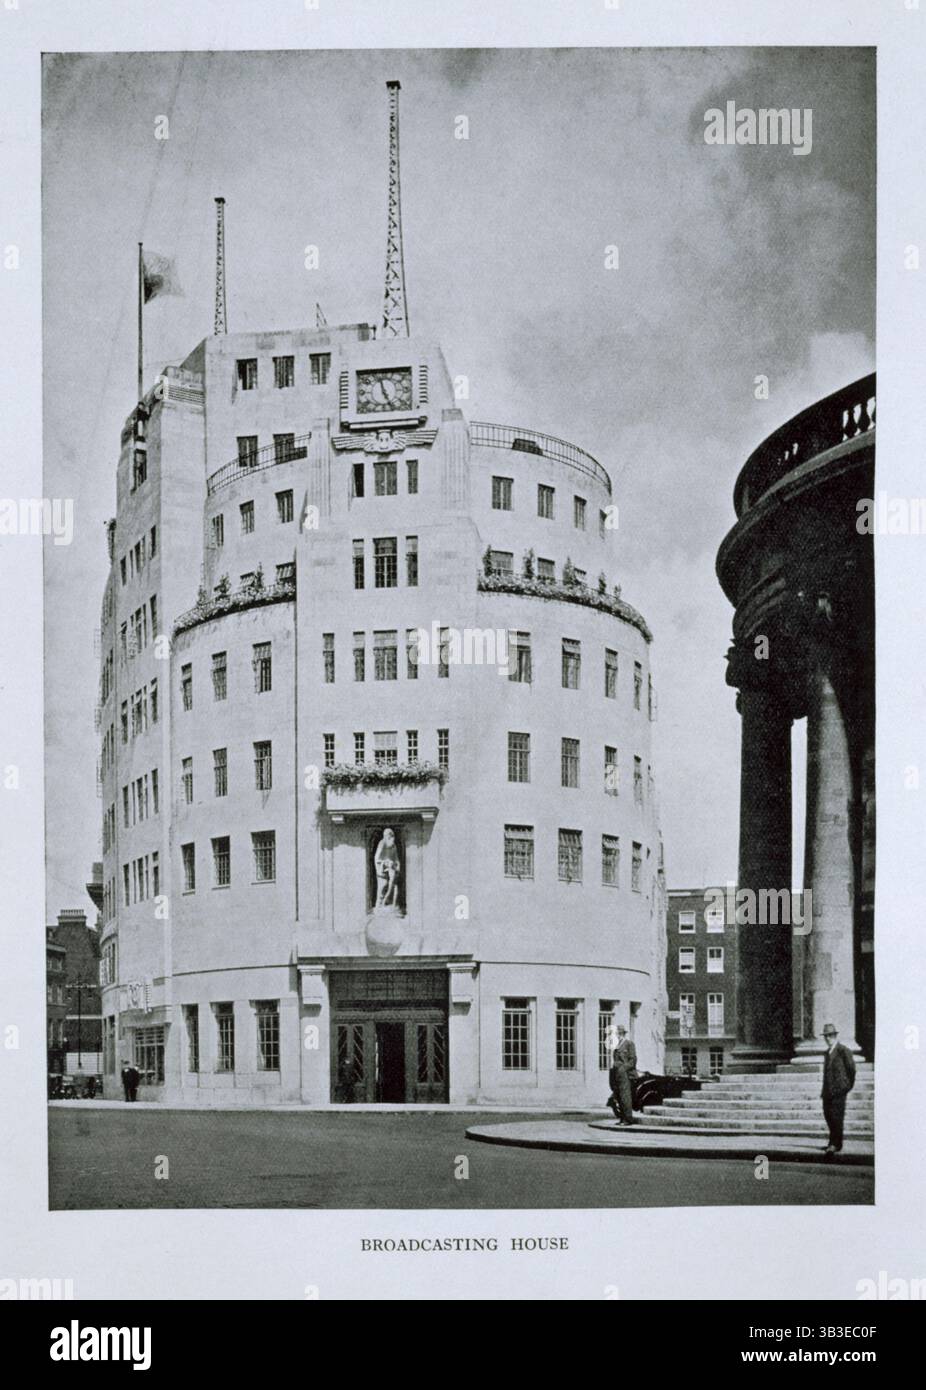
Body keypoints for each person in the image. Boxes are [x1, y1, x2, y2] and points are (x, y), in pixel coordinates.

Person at [821, 1023, 855, 1154]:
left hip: (839, 1090)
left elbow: (851, 1069)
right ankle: (833, 1142)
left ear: (835, 1036)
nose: (827, 1038)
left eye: (830, 1036)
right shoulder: (827, 1053)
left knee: (837, 1117)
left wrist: (847, 1086)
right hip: (827, 1091)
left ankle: (835, 1144)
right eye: (826, 1036)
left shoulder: (843, 1050)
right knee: (828, 1115)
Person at [607, 1026, 639, 1126]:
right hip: (617, 1074)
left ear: (622, 1034)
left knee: (625, 1097)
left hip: (626, 1074)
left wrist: (623, 1068)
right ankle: (622, 1118)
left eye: (617, 1034)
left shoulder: (629, 1044)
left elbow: (633, 1061)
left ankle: (628, 1119)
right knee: (618, 1097)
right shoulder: (617, 1046)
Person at [374, 827, 401, 909]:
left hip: (392, 870)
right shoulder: (382, 844)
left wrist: (397, 865)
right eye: (390, 838)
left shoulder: (393, 845)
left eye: (393, 838)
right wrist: (385, 863)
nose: (392, 840)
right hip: (383, 871)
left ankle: (392, 904)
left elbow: (396, 858)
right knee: (383, 886)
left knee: (395, 887)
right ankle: (379, 906)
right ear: (386, 837)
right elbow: (377, 858)